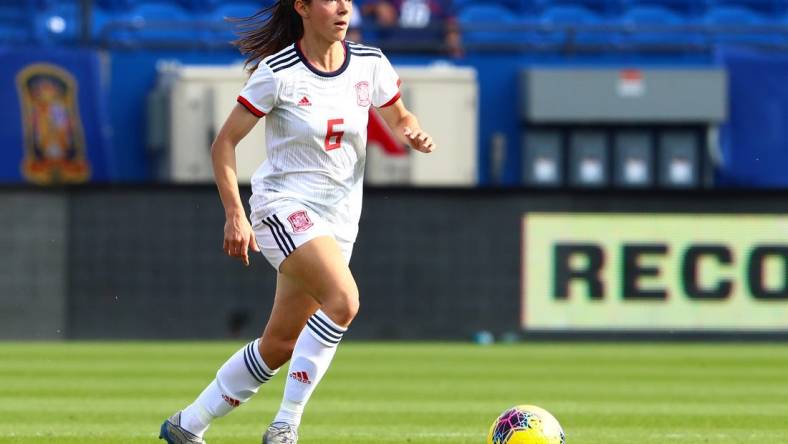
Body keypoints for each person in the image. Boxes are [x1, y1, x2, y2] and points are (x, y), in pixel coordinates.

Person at [158, 0, 435, 443]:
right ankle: (285, 426)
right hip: (282, 207)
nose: (344, 8)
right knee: (344, 300)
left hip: (339, 220)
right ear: (303, 7)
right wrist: (235, 213)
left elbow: (398, 115)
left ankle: (186, 425)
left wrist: (411, 129)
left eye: (348, 0)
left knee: (280, 345)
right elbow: (224, 144)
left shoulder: (370, 63)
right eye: (331, 0)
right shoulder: (279, 72)